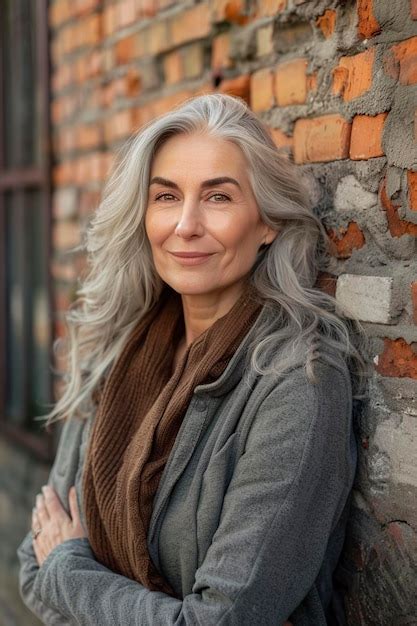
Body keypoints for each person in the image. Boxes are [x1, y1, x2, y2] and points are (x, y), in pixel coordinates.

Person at [17, 92, 370, 625]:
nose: (185, 224)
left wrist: (70, 571)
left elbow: (219, 620)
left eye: (219, 197)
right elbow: (29, 568)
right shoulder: (119, 346)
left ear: (268, 222)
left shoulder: (298, 378)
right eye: (165, 197)